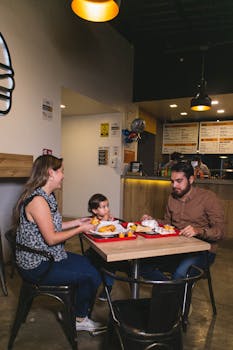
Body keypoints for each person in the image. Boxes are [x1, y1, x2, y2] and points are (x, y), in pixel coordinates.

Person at [13, 154, 106, 332]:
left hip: (46, 256)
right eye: (61, 171)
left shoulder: (47, 196)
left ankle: (74, 312)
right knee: (92, 275)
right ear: (51, 173)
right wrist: (80, 230)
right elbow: (51, 238)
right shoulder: (38, 201)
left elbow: (51, 225)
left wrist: (78, 222)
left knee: (91, 264)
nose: (63, 175)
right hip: (38, 265)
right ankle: (79, 319)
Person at [140, 161, 225, 280]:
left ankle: (174, 293)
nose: (174, 186)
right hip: (177, 248)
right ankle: (171, 293)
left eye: (179, 181)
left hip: (203, 252)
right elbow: (168, 224)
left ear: (191, 179)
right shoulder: (172, 197)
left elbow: (220, 232)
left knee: (180, 273)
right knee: (142, 266)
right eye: (172, 181)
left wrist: (198, 231)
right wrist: (153, 220)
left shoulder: (208, 198)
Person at [85, 193, 129, 301]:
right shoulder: (92, 221)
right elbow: (93, 231)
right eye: (103, 207)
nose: (107, 209)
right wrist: (104, 222)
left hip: (112, 248)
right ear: (95, 211)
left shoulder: (110, 220)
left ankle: (108, 287)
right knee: (108, 264)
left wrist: (111, 223)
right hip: (96, 252)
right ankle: (106, 287)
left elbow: (117, 230)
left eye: (107, 206)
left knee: (113, 262)